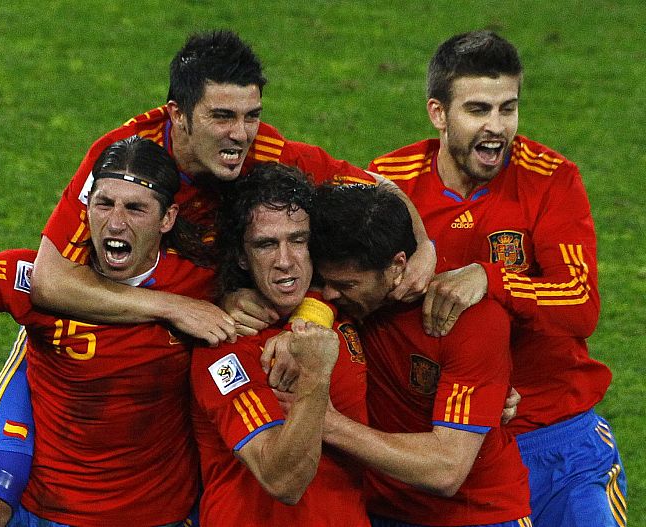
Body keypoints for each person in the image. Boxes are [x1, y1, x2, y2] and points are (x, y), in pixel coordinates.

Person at [0, 29, 437, 527]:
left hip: (179, 349)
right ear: (178, 115)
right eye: (222, 116)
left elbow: (380, 193)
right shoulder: (121, 158)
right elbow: (50, 282)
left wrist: (424, 251)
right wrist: (176, 307)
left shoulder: (267, 154)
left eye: (251, 116)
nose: (240, 134)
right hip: (74, 332)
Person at [0, 136, 212, 527]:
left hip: (156, 514)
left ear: (167, 219)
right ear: (85, 207)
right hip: (45, 508)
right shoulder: (39, 282)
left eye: (136, 208)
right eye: (103, 203)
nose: (116, 222)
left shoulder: (204, 283)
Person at [366, 30, 627, 526]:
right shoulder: (390, 181)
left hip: (552, 433)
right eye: (478, 110)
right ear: (438, 113)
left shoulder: (551, 178)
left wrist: (491, 277)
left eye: (508, 109)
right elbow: (355, 297)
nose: (496, 128)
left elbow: (581, 303)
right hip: (446, 436)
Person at [308, 183, 531, 526]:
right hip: (378, 510)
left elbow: (447, 468)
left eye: (347, 285)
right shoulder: (354, 300)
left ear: (398, 266)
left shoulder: (469, 320)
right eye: (325, 281)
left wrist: (327, 424)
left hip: (474, 516)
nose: (329, 295)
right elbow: (372, 179)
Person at [190, 163, 370, 526]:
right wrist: (316, 373)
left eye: (298, 240)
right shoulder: (222, 348)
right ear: (241, 257)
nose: (285, 261)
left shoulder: (344, 306)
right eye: (266, 244)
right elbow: (282, 481)